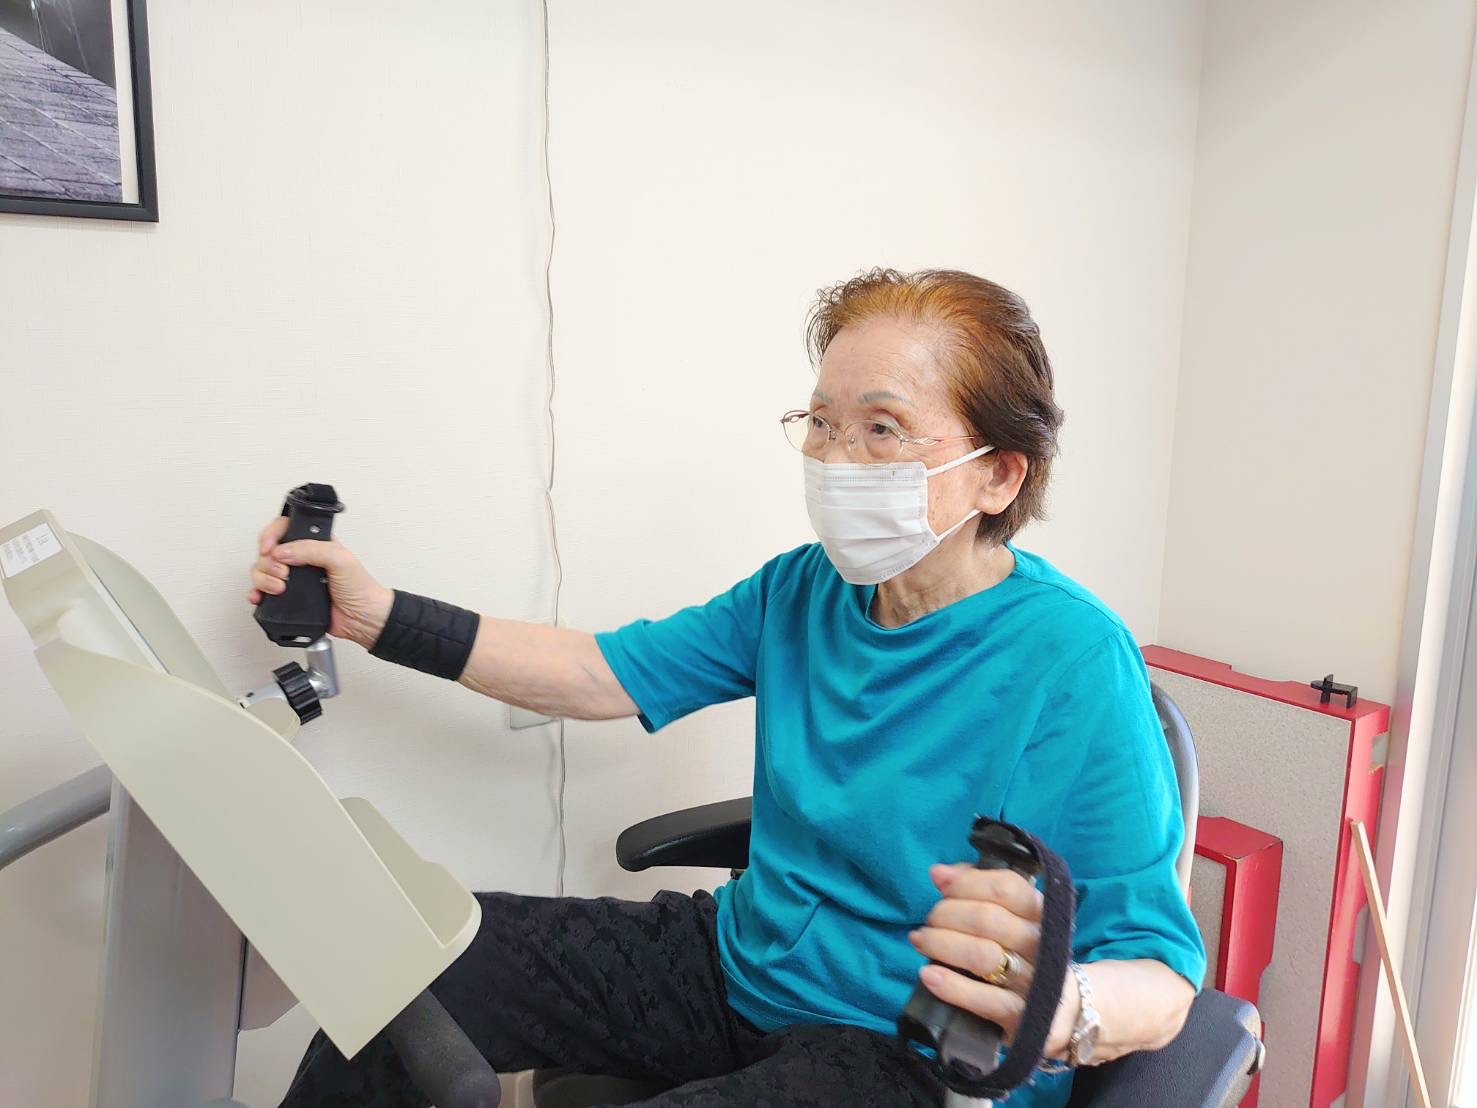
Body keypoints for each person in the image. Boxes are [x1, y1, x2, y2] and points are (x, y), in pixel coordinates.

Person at [258, 268, 1205, 1107]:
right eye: (822, 423)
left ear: (996, 474)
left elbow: (1164, 980)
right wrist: (376, 617)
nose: (834, 459)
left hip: (903, 1052)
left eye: (880, 428)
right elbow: (597, 671)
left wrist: (1065, 1007)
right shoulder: (801, 589)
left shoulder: (1072, 659)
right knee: (412, 970)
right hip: (734, 963)